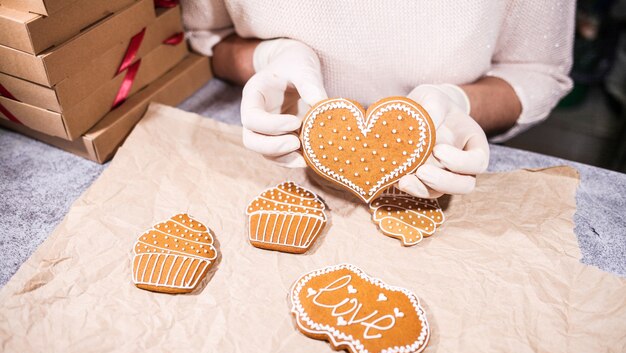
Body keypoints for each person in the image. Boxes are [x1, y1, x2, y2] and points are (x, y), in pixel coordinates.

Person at [181, 0, 575, 198]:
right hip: (262, 164)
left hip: (440, 163)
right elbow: (206, 36)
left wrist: (461, 103)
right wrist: (268, 57)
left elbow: (536, 69)